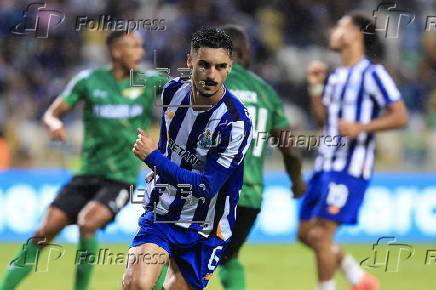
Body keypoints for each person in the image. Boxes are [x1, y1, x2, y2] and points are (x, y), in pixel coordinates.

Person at [0, 31, 168, 290]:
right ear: (116, 52)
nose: (140, 52)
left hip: (120, 178)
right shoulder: (89, 81)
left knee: (87, 222)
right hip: (87, 174)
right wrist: (55, 125)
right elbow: (52, 113)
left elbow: (186, 91)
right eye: (133, 47)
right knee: (44, 231)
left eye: (140, 46)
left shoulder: (147, 81)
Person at [123, 27, 253, 290]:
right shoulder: (172, 92)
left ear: (230, 67)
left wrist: (156, 160)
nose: (211, 75)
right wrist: (163, 165)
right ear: (189, 61)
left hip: (206, 227)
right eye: (204, 65)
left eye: (220, 67)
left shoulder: (235, 123)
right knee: (136, 285)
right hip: (163, 211)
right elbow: (168, 138)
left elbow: (207, 187)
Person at [298, 11, 409, 290]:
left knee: (322, 235)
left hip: (350, 167)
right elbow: (324, 121)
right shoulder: (335, 77)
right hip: (325, 164)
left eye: (341, 26)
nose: (334, 31)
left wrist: (362, 127)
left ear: (356, 35)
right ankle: (358, 278)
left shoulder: (373, 74)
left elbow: (400, 116)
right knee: (305, 234)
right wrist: (314, 87)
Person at [215, 25, 306, 290]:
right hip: (251, 195)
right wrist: (297, 182)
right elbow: (288, 147)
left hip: (213, 190)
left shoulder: (211, 82)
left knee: (173, 250)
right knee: (229, 257)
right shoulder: (266, 92)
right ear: (246, 52)